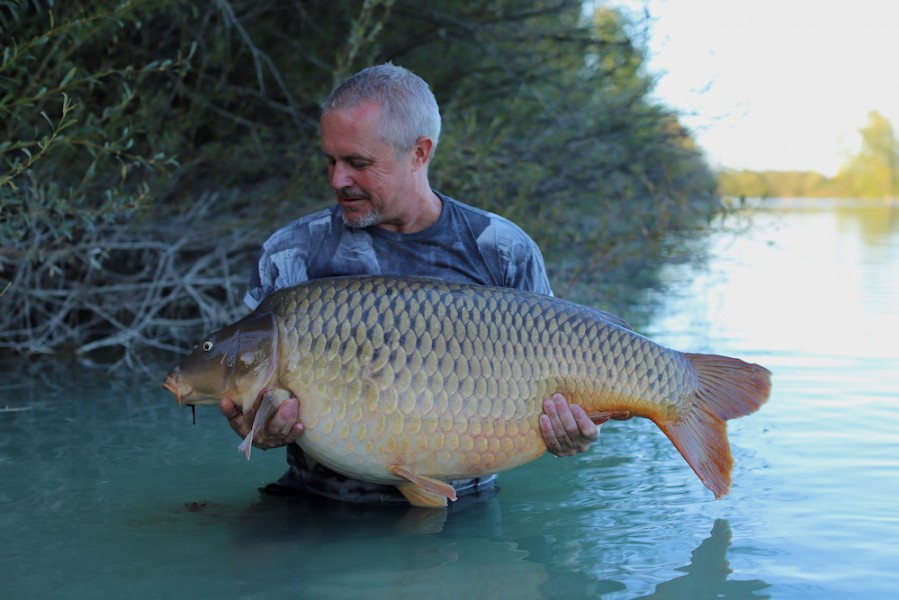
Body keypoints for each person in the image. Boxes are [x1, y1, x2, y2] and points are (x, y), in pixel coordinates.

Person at [220, 63, 600, 504]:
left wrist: (570, 433)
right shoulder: (290, 252)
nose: (337, 179)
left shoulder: (501, 249)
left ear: (420, 153)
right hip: (315, 506)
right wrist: (257, 427)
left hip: (465, 516)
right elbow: (247, 386)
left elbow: (562, 390)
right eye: (330, 160)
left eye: (358, 163)